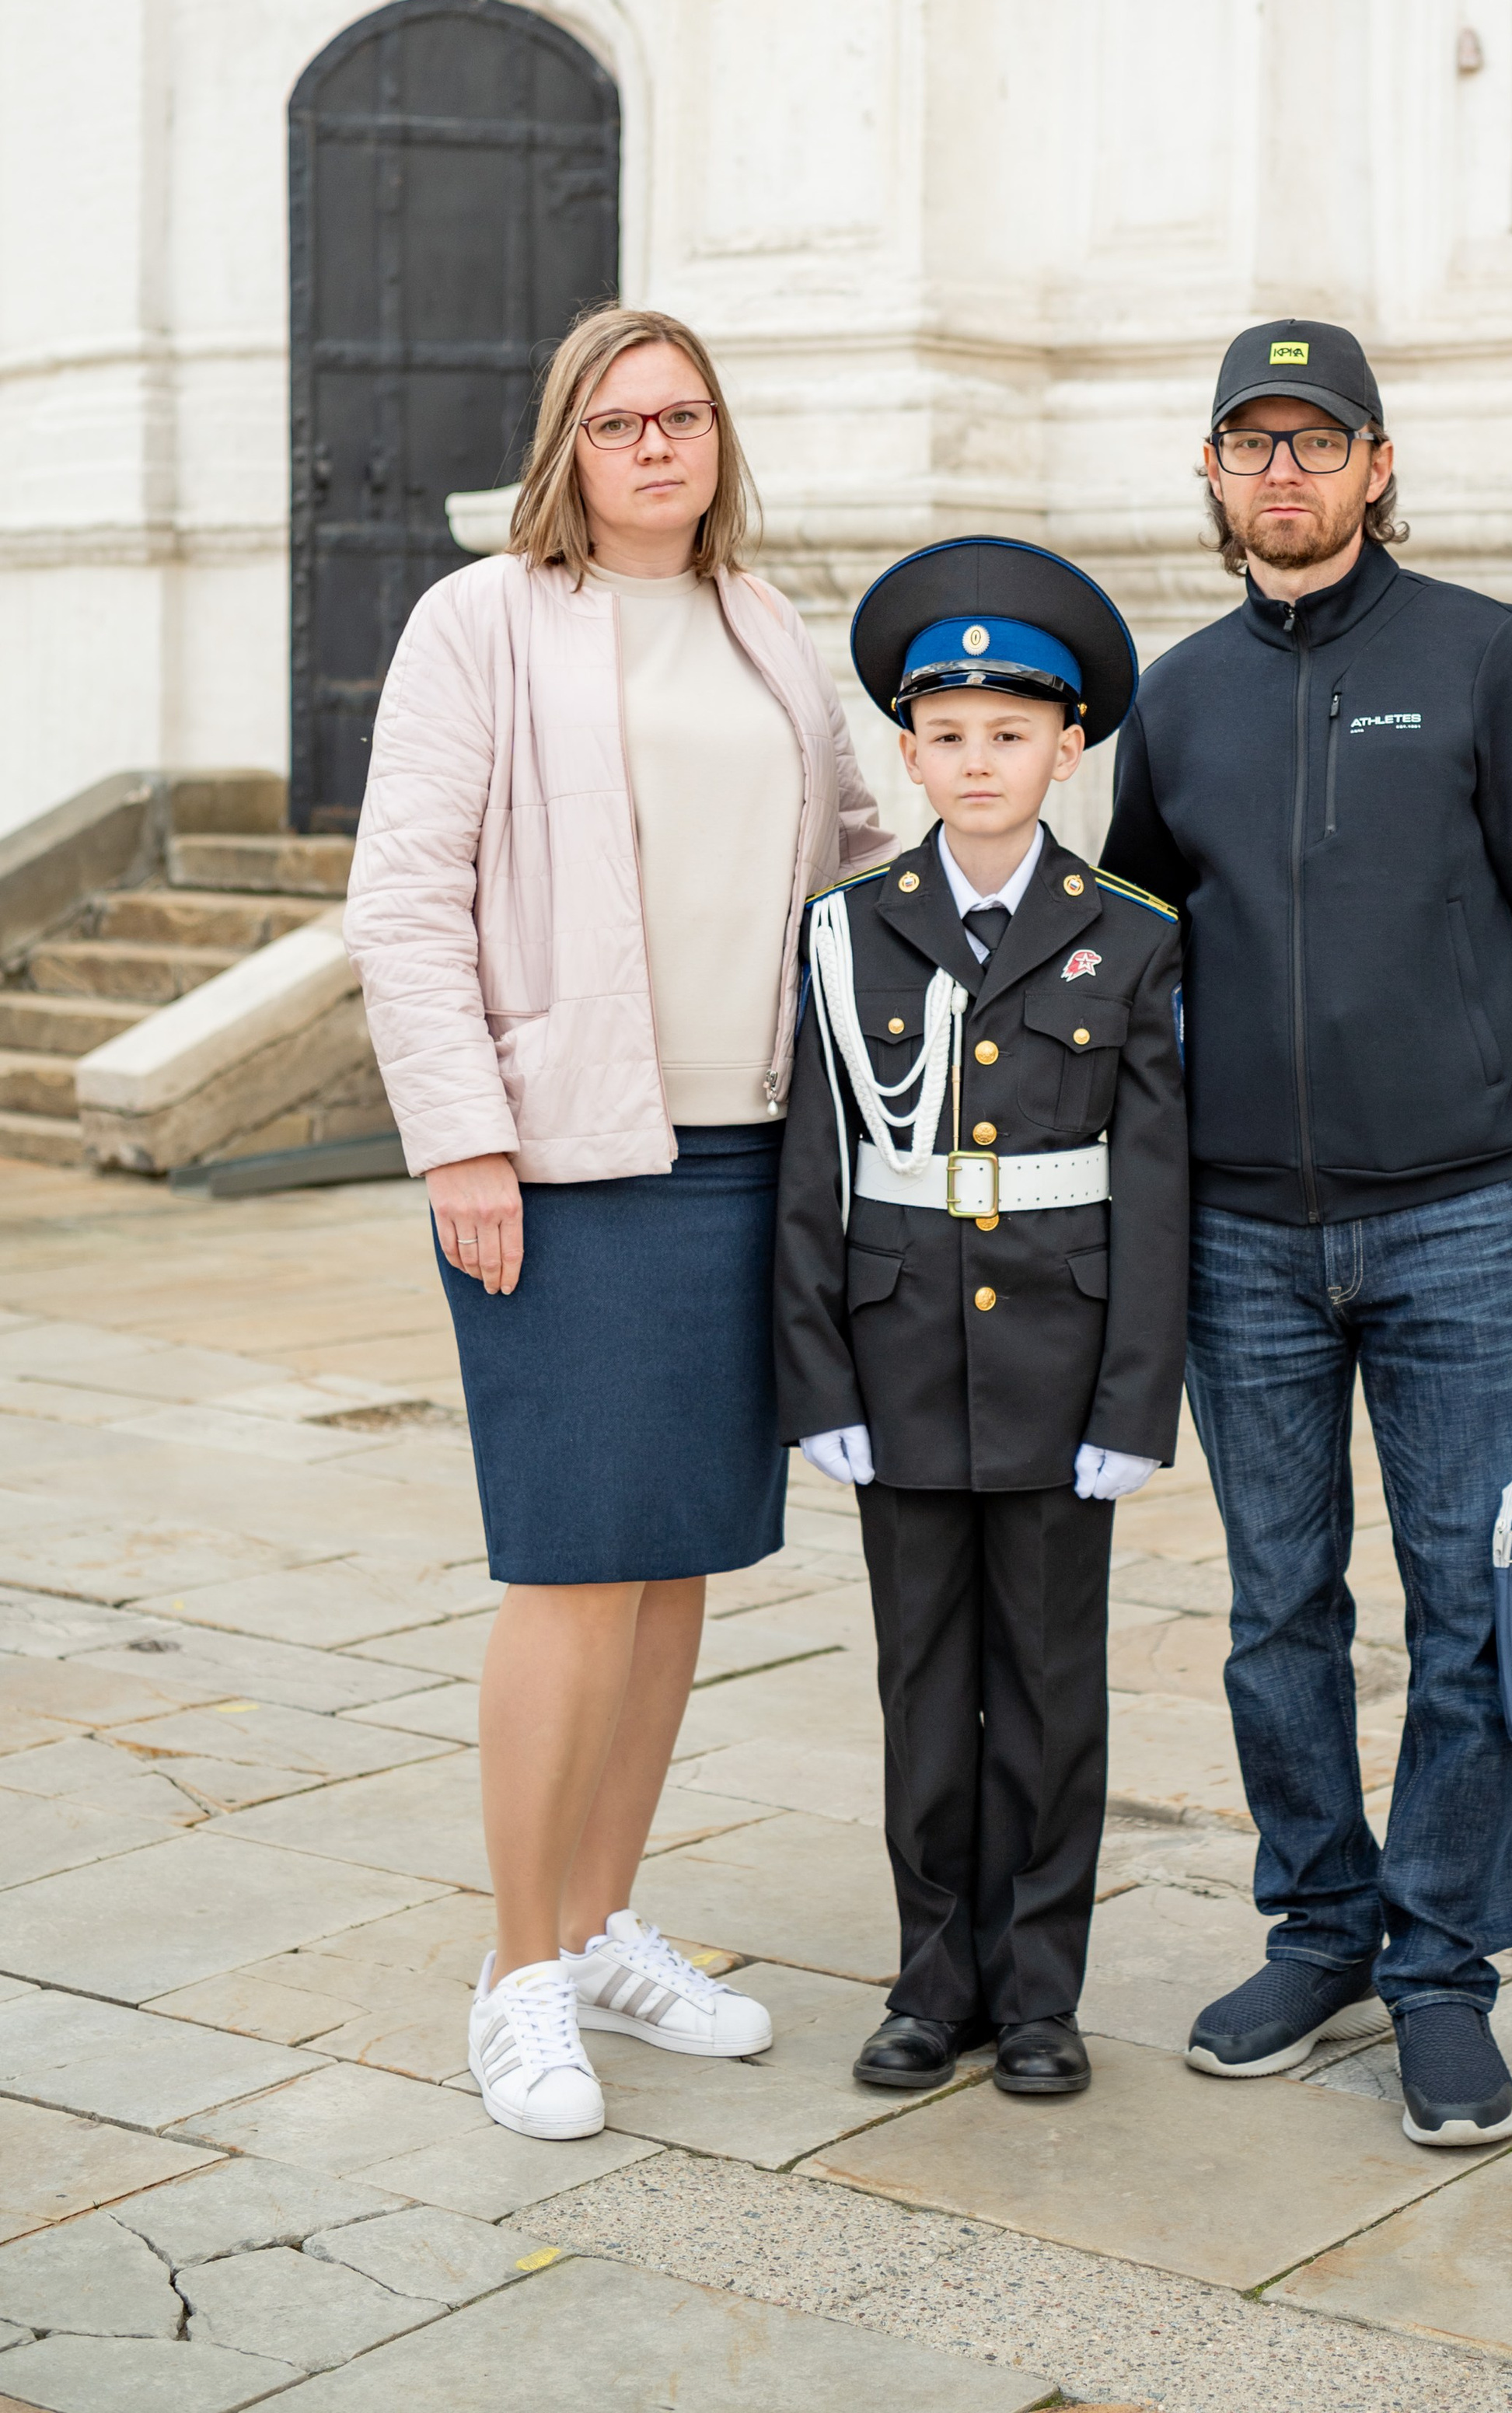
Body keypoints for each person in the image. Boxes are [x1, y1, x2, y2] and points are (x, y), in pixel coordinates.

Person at [344, 301, 891, 2142]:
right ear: (564, 445)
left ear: (720, 442)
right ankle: (512, 1977)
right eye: (618, 419)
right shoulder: (479, 623)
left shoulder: (762, 626)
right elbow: (405, 899)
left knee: (672, 1566)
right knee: (571, 1563)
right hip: (564, 1161)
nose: (657, 445)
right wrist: (459, 1143)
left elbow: (864, 851)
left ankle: (595, 1932)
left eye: (685, 416)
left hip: (752, 1154)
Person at [1101, 319, 1512, 2149]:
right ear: (1212, 472)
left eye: (1314, 441)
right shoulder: (1172, 698)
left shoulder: (1481, 656)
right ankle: (1316, 1930)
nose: (1282, 472)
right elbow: (1129, 967)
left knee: (1470, 1619)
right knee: (1274, 1610)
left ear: (1375, 465)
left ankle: (1440, 1975)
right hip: (1239, 1239)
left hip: (1466, 1225)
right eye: (1249, 442)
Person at [773, 540, 1189, 2100]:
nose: (976, 761)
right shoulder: (846, 927)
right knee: (919, 1684)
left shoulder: (1130, 933)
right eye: (944, 735)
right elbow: (815, 1166)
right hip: (894, 1358)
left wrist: (1133, 1404)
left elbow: (1155, 1190)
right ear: (907, 751)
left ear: (1065, 748)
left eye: (1008, 733)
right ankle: (927, 1975)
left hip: (1057, 1371)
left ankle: (1037, 1989)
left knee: (1046, 1690)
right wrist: (815, 1374)